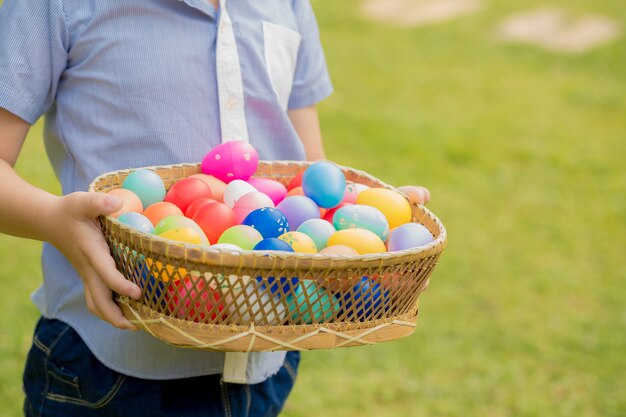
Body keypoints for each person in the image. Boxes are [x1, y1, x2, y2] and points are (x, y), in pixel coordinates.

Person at [0, 0, 430, 415]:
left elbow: (311, 182)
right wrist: (53, 220)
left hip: (264, 362)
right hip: (108, 368)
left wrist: (365, 223)